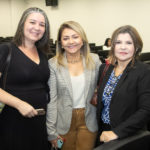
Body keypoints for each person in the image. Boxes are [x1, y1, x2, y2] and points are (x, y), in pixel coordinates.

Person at [0, 7, 51, 150]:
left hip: (39, 121)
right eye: (32, 22)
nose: (37, 28)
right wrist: (19, 104)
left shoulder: (42, 54)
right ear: (22, 24)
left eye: (42, 25)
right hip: (12, 121)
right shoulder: (6, 50)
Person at [47, 21, 101, 150]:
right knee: (60, 148)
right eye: (66, 38)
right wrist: (51, 132)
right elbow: (52, 100)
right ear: (60, 43)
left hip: (88, 120)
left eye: (75, 37)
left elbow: (103, 85)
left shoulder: (94, 59)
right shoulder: (53, 64)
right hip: (62, 122)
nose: (71, 41)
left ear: (82, 39)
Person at [96, 25, 150, 145]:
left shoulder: (144, 71)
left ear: (136, 47)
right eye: (118, 42)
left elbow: (146, 110)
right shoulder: (105, 69)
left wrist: (117, 132)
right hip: (103, 131)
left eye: (129, 43)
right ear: (113, 46)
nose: (123, 47)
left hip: (128, 135)